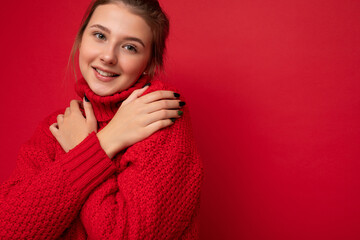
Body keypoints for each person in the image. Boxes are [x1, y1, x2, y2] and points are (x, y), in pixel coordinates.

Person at [0, 0, 203, 239]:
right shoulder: (59, 127)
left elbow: (125, 235)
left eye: (130, 47)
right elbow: (8, 230)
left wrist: (79, 148)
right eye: (99, 35)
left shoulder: (158, 115)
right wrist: (103, 142)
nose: (108, 56)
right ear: (80, 39)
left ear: (149, 63)